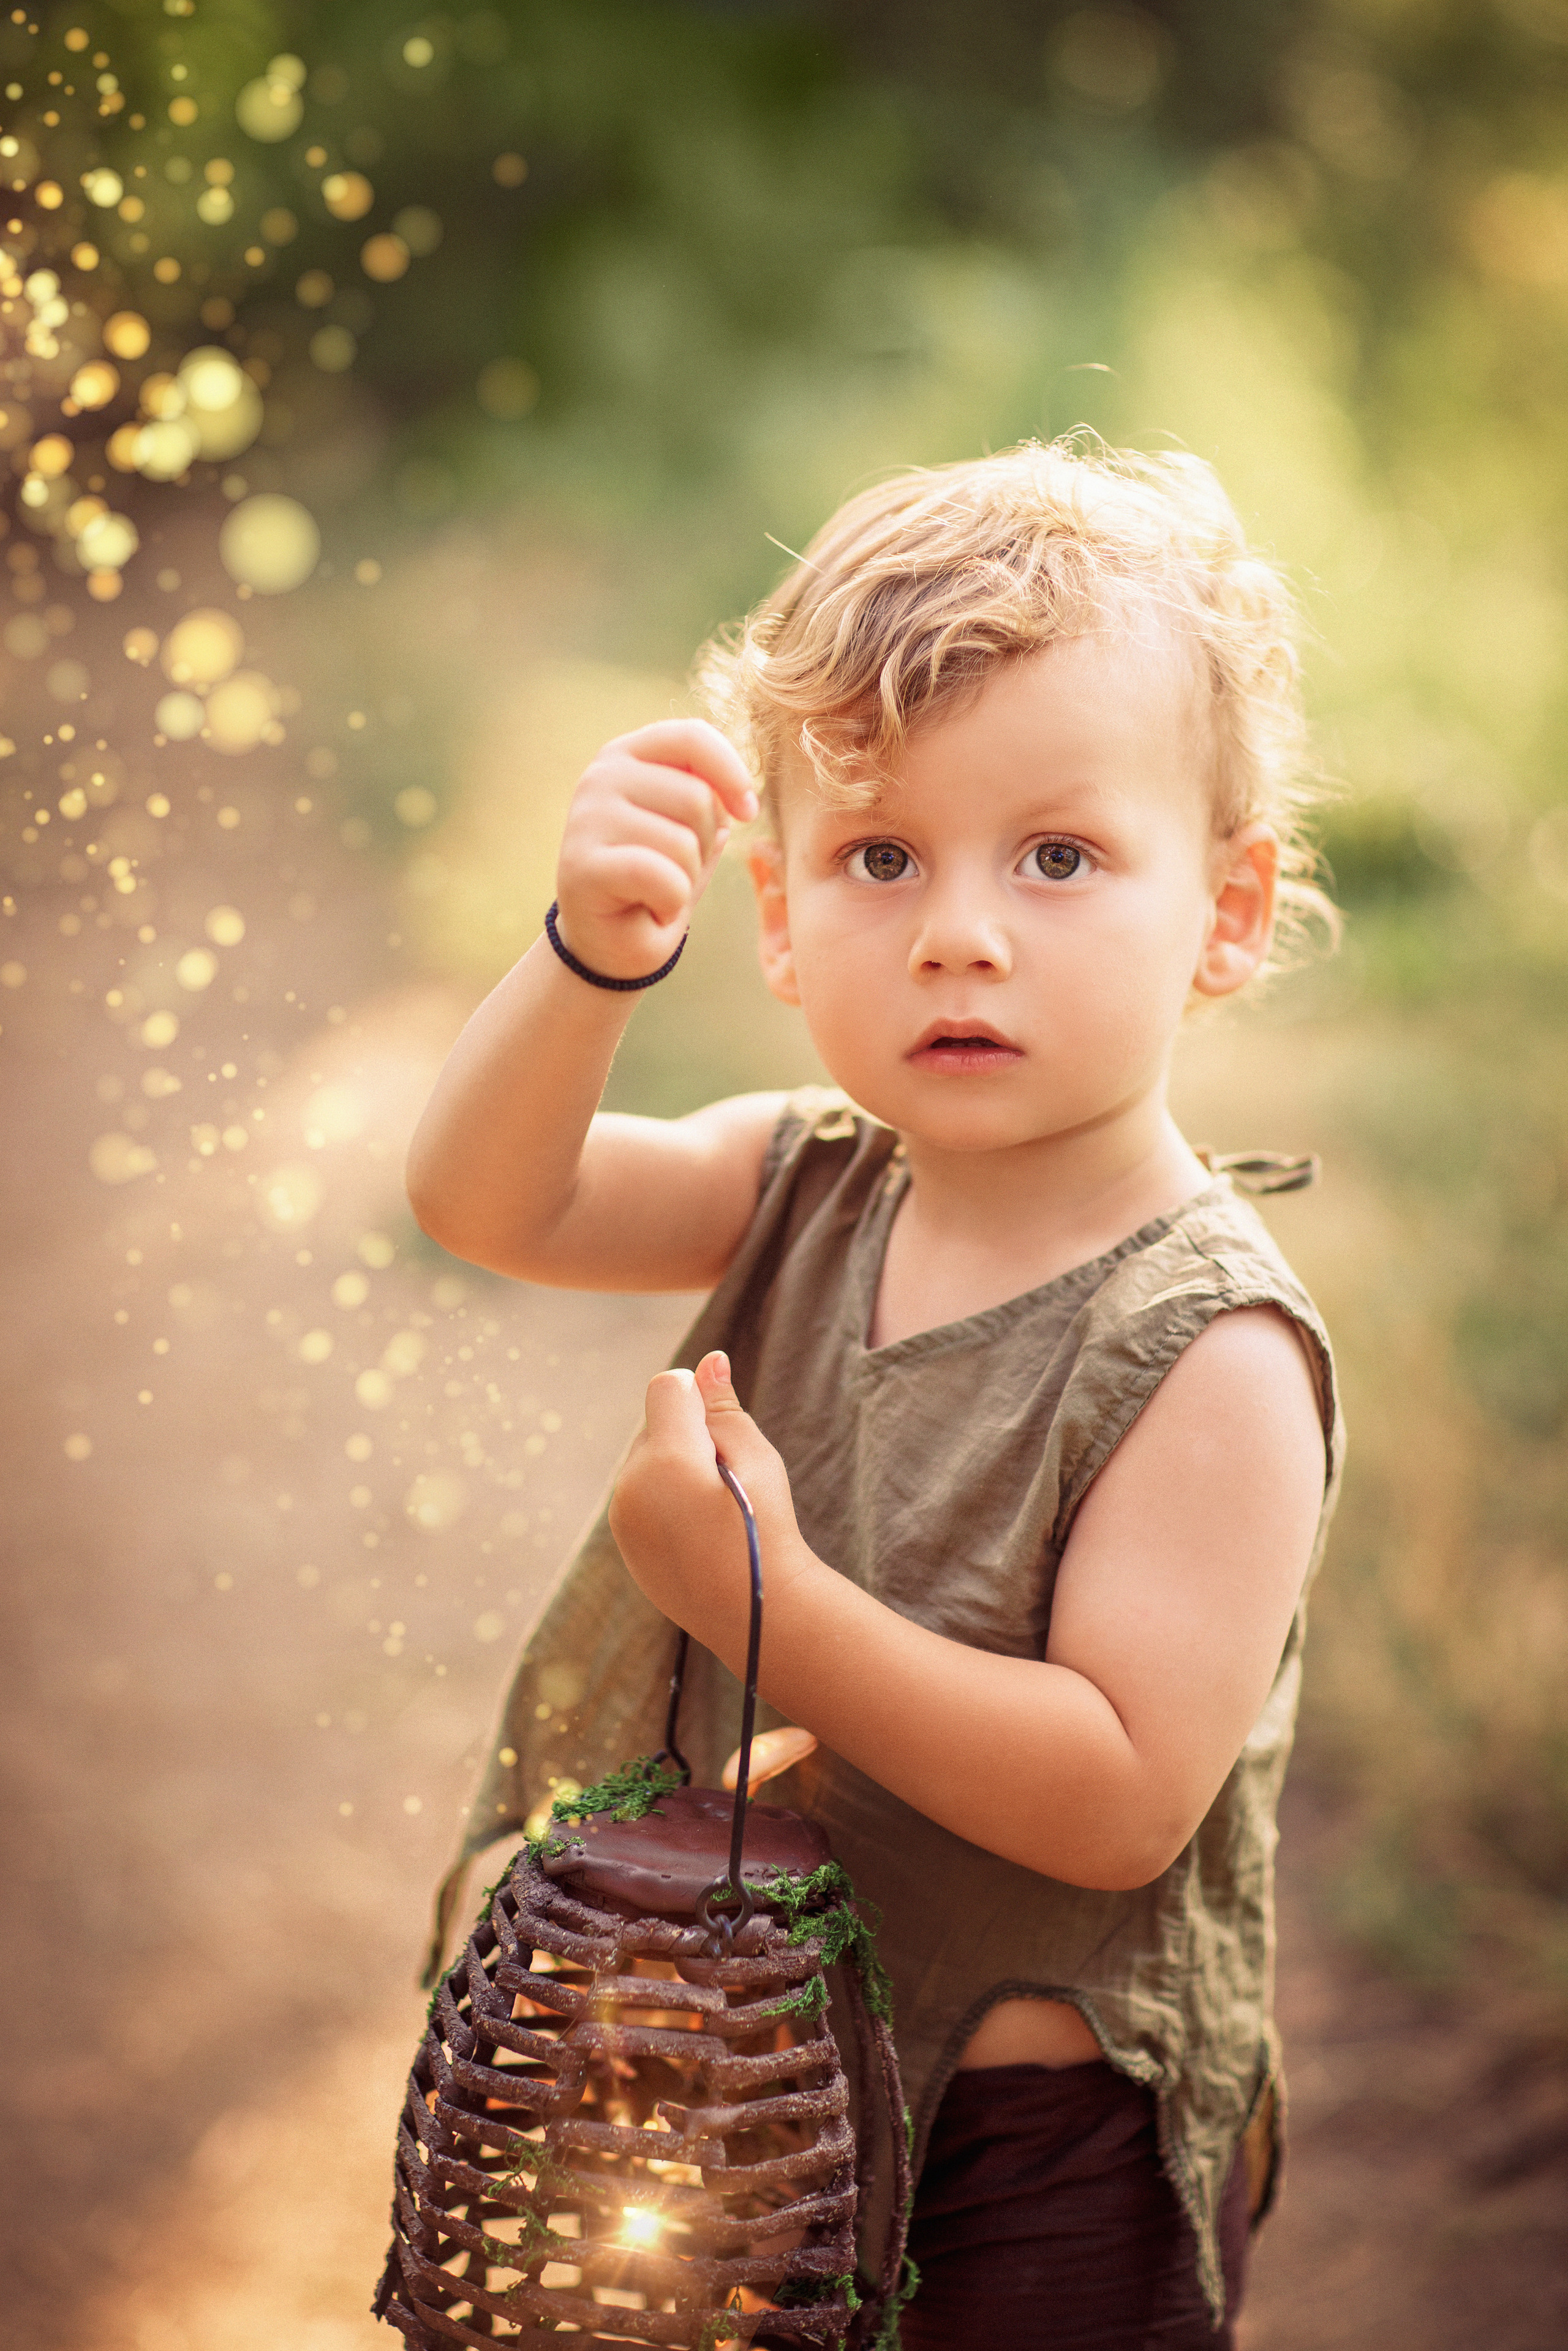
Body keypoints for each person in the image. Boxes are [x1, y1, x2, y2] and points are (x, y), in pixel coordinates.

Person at [405, 439, 1342, 2349]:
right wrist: (592, 962)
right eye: (880, 856)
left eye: (1059, 857)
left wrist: (768, 1605)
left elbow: (1118, 1799)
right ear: (777, 912)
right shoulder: (810, 1173)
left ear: (1227, 915)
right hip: (747, 2091)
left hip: (1039, 2159)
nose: (959, 931)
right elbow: (487, 1200)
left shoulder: (1213, 1349)